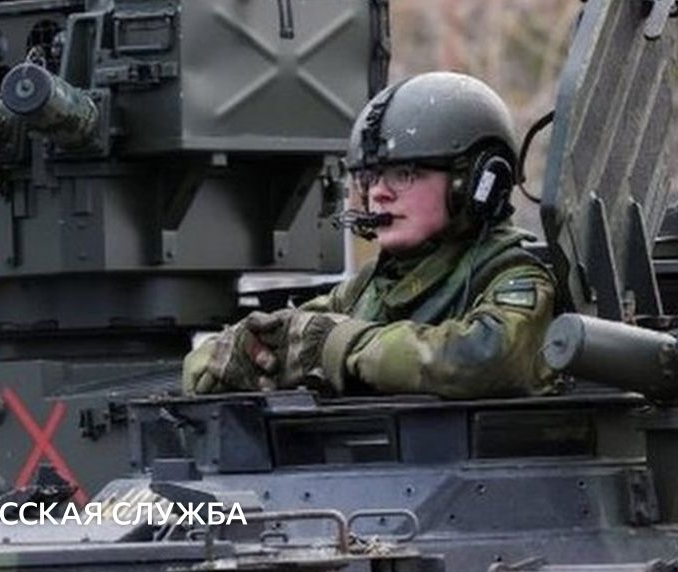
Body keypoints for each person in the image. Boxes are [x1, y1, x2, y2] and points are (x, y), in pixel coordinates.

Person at [182, 71, 559, 399]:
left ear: (478, 181)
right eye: (370, 176)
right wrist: (235, 353)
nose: (378, 192)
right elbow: (287, 333)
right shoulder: (368, 288)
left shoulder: (514, 275)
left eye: (404, 174)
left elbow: (486, 359)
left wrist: (340, 346)